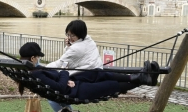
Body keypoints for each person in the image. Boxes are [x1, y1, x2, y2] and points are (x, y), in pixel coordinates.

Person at [18, 42, 158, 102]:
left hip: (72, 84)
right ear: (32, 58)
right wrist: (65, 74)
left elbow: (55, 82)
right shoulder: (36, 73)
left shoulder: (29, 71)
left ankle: (138, 76)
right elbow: (59, 87)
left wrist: (64, 78)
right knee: (109, 85)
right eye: (38, 57)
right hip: (73, 92)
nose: (39, 59)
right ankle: (143, 79)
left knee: (98, 72)